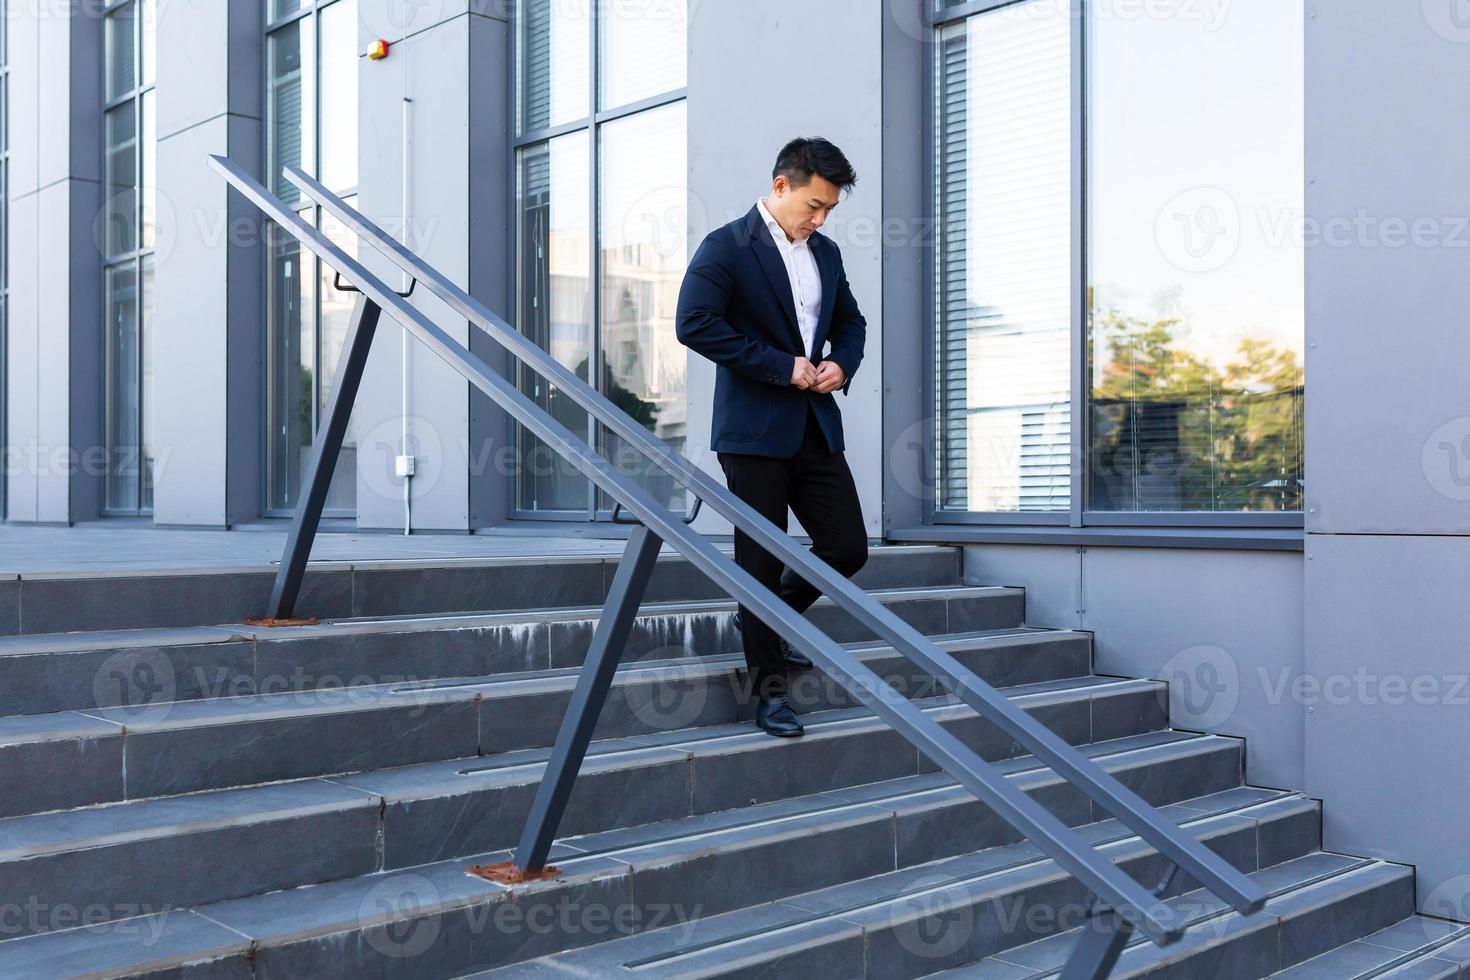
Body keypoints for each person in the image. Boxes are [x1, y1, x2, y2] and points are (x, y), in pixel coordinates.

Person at [675, 136, 869, 738]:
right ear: (781, 186)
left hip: (814, 426)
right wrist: (779, 365)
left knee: (847, 548)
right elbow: (693, 323)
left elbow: (850, 322)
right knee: (758, 562)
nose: (820, 218)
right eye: (814, 205)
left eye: (830, 209)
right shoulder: (727, 246)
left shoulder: (827, 253)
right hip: (753, 431)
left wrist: (843, 363)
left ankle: (764, 623)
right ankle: (768, 692)